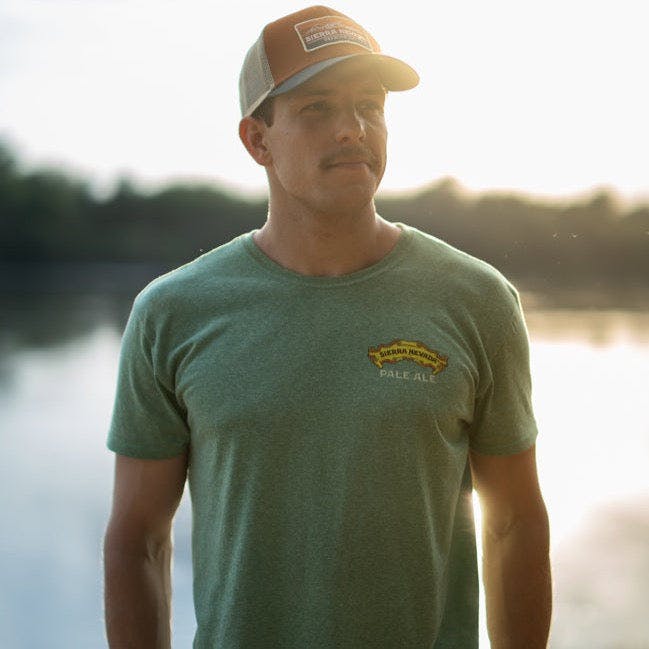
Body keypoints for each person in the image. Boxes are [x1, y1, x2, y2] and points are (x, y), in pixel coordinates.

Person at [103, 5, 551, 648]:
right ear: (257, 140)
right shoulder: (173, 313)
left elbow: (513, 523)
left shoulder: (476, 299)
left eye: (370, 105)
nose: (352, 130)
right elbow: (138, 539)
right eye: (316, 108)